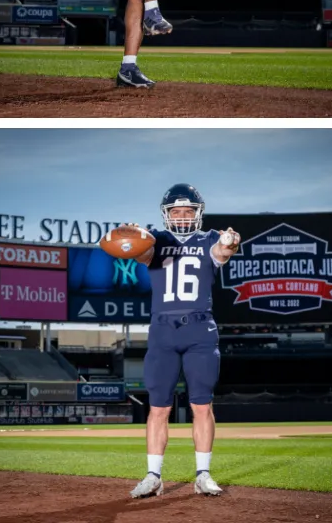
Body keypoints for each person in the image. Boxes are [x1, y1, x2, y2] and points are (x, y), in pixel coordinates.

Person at [128, 183, 240, 499]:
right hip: (163, 331)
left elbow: (223, 252)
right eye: (175, 211)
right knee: (158, 407)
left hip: (200, 330)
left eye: (187, 210)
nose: (181, 216)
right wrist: (132, 240)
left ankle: (203, 474)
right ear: (166, 214)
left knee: (201, 405)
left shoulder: (209, 240)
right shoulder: (154, 240)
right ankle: (153, 476)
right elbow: (142, 254)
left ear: (197, 213)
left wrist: (230, 242)